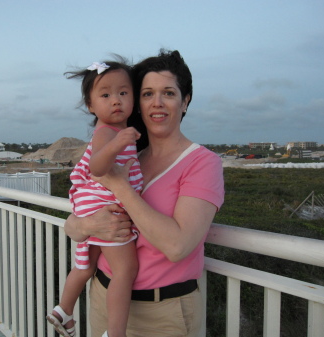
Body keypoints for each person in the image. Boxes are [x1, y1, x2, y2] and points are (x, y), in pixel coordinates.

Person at [65, 49, 225, 337]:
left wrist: (120, 186)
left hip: (163, 313)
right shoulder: (127, 155)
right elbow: (74, 223)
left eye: (169, 93)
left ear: (185, 100)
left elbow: (177, 246)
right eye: (148, 94)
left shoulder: (203, 163)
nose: (157, 103)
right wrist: (86, 224)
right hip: (105, 297)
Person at [46, 60, 143, 337]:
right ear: (90, 105)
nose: (116, 101)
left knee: (84, 266)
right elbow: (97, 168)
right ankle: (116, 333)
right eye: (105, 95)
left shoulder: (114, 133)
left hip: (91, 208)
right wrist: (118, 142)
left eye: (123, 93)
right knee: (126, 269)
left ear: (133, 98)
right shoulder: (107, 132)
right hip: (104, 207)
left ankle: (63, 311)